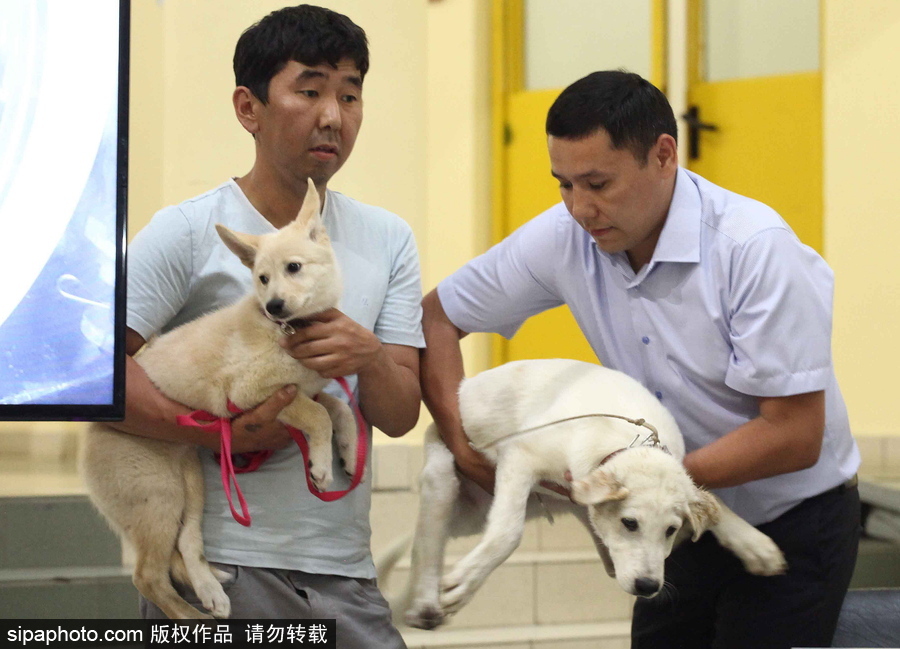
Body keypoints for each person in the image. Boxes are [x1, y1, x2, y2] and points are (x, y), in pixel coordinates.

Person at [420, 70, 861, 649]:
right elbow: (436, 317)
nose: (581, 208)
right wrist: (461, 445)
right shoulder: (566, 235)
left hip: (792, 519)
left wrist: (644, 483)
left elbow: (796, 432)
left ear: (663, 155)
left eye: (599, 183)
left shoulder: (753, 248)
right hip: (671, 525)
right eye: (564, 185)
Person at [116, 5, 422, 646]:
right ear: (248, 108)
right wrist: (218, 433)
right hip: (221, 569)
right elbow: (92, 376)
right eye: (309, 91)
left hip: (345, 569)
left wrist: (368, 358)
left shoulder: (389, 238)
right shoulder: (189, 231)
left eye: (350, 94)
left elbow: (399, 416)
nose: (333, 116)